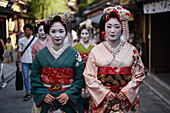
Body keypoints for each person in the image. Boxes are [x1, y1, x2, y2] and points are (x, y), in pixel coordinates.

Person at [83, 5, 145, 113]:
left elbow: (139, 74)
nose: (112, 31)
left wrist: (126, 91)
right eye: (109, 26)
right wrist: (104, 92)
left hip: (125, 98)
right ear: (104, 27)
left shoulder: (132, 50)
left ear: (122, 28)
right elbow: (89, 76)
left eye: (117, 27)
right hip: (103, 99)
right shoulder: (95, 50)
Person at [30, 13, 85, 113]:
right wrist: (43, 94)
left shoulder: (74, 54)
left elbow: (80, 79)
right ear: (48, 32)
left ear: (66, 32)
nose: (57, 35)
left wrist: (69, 93)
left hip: (68, 100)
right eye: (53, 31)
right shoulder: (40, 55)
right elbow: (34, 78)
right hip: (47, 99)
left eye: (61, 31)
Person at [73, 20, 95, 113]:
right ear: (80, 34)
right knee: (79, 94)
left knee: (91, 95)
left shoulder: (94, 47)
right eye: (83, 33)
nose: (85, 35)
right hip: (79, 73)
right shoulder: (75, 47)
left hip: (91, 73)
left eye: (87, 33)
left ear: (90, 34)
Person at [16, 23, 37, 101]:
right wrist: (17, 60)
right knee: (26, 77)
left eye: (30, 30)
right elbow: (19, 51)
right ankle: (28, 92)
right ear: (24, 31)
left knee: (34, 77)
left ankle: (34, 89)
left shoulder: (35, 39)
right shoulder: (21, 40)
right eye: (27, 30)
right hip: (24, 61)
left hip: (34, 61)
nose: (29, 32)